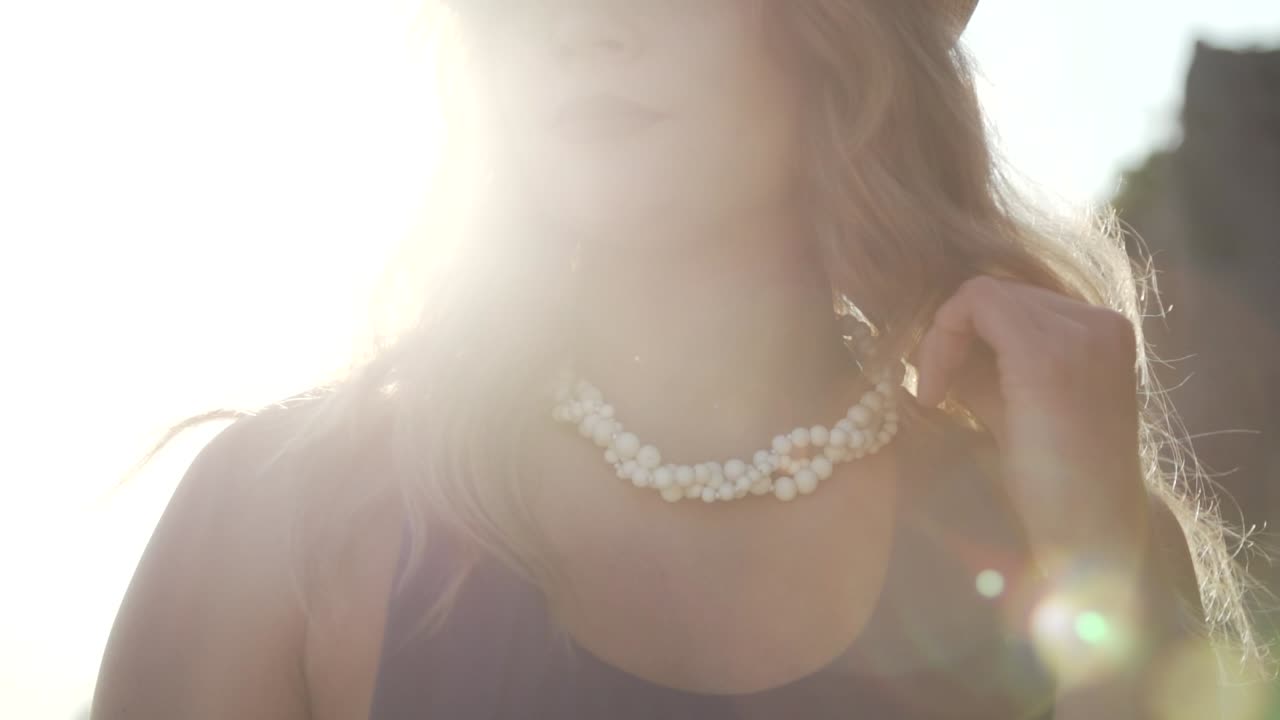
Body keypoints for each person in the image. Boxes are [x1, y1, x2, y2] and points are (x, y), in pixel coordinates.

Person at [92, 1, 1264, 718]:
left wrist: (1103, 561)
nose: (577, 20)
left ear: (837, 24)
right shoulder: (282, 520)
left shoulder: (1065, 545)